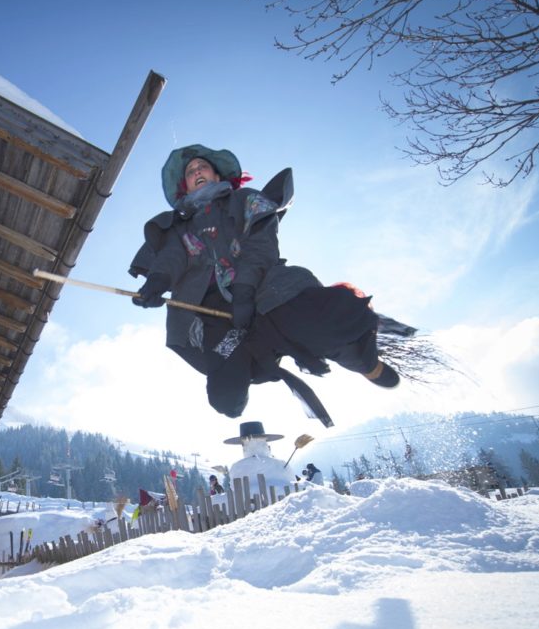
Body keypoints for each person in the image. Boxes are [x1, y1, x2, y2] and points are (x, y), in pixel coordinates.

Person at [129, 144, 399, 426]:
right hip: (210, 312)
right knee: (225, 398)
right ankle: (247, 359)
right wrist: (158, 282)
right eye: (190, 171)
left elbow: (260, 244)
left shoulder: (245, 200)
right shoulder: (176, 226)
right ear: (183, 185)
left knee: (320, 322)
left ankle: (365, 363)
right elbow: (171, 258)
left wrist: (244, 289)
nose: (197, 171)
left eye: (203, 167)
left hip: (262, 288)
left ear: (217, 174)